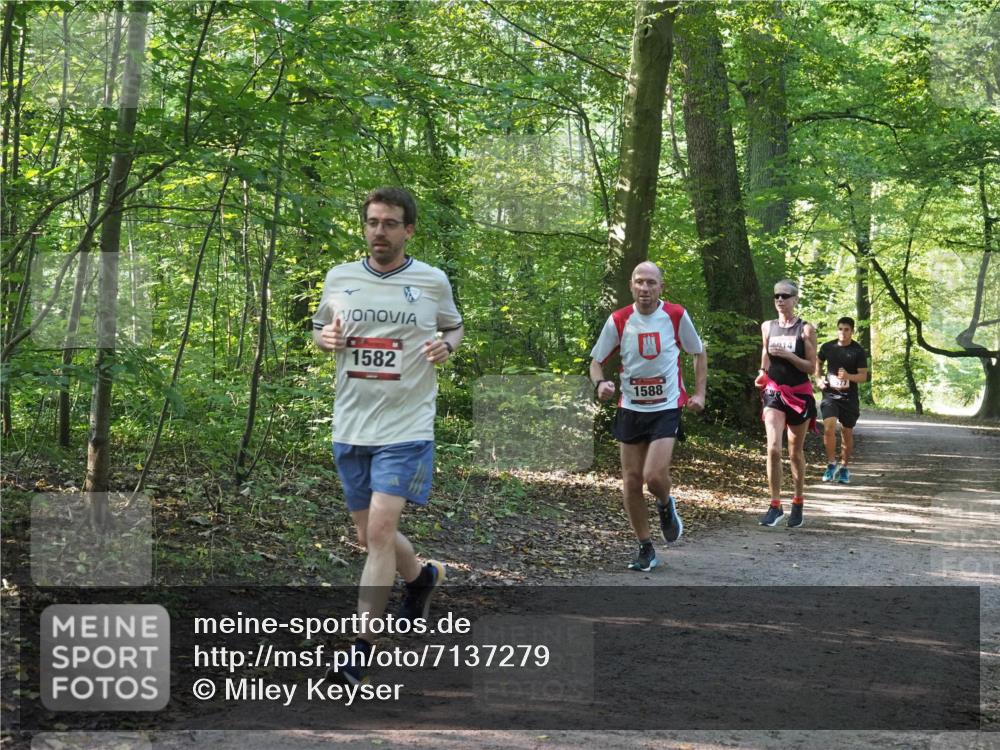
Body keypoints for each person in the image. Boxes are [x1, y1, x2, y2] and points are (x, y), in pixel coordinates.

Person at [312, 187, 463, 685]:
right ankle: (422, 579)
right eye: (373, 222)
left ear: (409, 229)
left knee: (378, 534)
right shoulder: (340, 278)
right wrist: (324, 339)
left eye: (391, 223)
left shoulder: (431, 280)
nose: (380, 231)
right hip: (351, 425)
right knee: (365, 534)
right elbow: (318, 331)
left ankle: (360, 647)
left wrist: (446, 346)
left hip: (407, 426)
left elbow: (454, 328)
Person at [589, 261, 707, 572]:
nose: (645, 288)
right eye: (639, 282)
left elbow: (698, 352)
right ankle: (645, 547)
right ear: (631, 285)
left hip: (666, 406)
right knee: (630, 481)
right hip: (630, 408)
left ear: (660, 287)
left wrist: (699, 393)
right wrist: (601, 383)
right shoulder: (618, 320)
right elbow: (596, 362)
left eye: (651, 283)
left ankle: (666, 504)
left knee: (654, 477)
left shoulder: (676, 315)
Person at [754, 279, 818, 529]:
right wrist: (762, 371)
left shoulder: (806, 329)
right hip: (774, 392)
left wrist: (791, 357)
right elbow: (765, 352)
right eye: (776, 296)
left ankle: (798, 501)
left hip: (800, 394)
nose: (780, 300)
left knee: (794, 452)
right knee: (772, 448)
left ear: (795, 299)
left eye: (785, 296)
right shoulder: (767, 327)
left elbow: (811, 367)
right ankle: (775, 504)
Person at [816, 316, 868, 484]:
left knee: (847, 432)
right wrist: (817, 379)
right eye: (840, 329)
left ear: (852, 332)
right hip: (830, 395)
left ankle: (844, 468)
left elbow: (863, 376)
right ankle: (831, 464)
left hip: (849, 397)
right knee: (829, 428)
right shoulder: (828, 347)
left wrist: (848, 376)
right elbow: (817, 363)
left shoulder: (858, 351)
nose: (843, 333)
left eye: (846, 330)